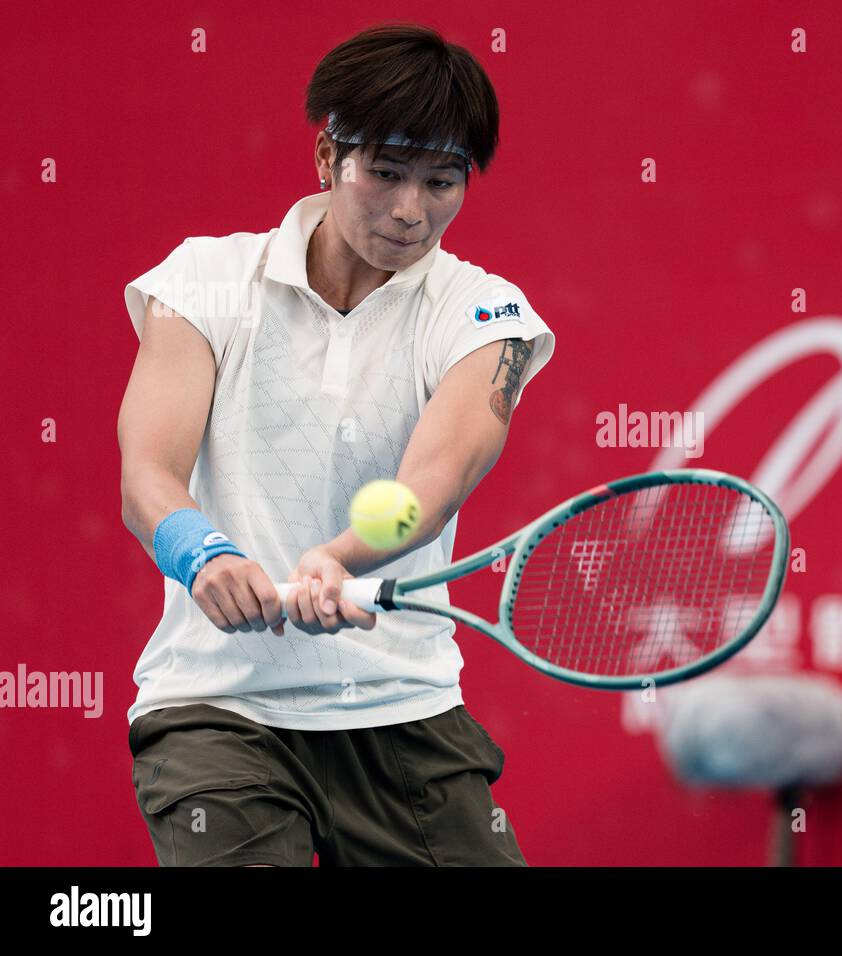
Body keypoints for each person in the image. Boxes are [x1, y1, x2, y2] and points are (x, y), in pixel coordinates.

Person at [117, 23, 554, 866]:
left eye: (441, 180)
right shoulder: (204, 282)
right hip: (218, 708)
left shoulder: (484, 313)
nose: (410, 210)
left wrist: (343, 555)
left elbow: (433, 483)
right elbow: (147, 475)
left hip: (404, 711)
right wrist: (201, 553)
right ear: (328, 158)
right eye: (386, 173)